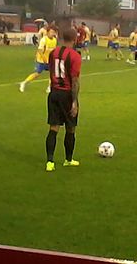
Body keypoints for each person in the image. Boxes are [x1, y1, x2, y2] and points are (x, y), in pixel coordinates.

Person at [45, 28, 82, 172]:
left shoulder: (53, 53)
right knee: (70, 128)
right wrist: (74, 101)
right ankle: (68, 159)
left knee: (53, 128)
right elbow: (75, 81)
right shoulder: (75, 56)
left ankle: (50, 162)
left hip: (54, 93)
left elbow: (51, 72)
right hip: (66, 94)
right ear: (75, 39)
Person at [19, 26, 57, 93]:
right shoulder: (44, 40)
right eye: (51, 32)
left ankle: (49, 87)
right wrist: (44, 58)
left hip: (50, 60)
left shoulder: (54, 40)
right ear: (47, 32)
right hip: (41, 60)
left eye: (54, 32)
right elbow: (39, 50)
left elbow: (53, 50)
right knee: (37, 73)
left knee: (52, 73)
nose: (53, 33)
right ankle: (24, 83)